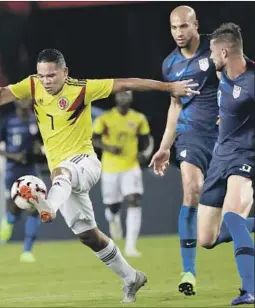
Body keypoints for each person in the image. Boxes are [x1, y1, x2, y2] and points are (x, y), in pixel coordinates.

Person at [0, 48, 198, 303]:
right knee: (88, 235)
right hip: (64, 178)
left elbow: (127, 83)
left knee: (62, 173)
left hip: (85, 163)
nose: (46, 81)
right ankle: (131, 277)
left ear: (65, 72)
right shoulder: (33, 84)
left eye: (51, 75)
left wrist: (169, 86)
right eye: (42, 76)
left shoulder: (82, 88)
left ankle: (48, 206)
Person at [149, 6, 220, 296]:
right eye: (173, 28)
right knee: (192, 191)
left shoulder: (216, 49)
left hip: (225, 137)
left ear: (196, 26)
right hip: (189, 138)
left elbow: (241, 77)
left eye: (183, 27)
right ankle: (188, 271)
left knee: (230, 210)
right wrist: (165, 147)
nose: (178, 33)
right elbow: (175, 106)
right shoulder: (170, 65)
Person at [198, 23, 254, 306]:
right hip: (219, 158)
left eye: (211, 52)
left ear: (223, 51)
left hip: (245, 156)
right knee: (207, 238)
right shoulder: (221, 73)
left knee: (233, 217)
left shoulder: (253, 80)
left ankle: (250, 288)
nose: (209, 57)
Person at [92, 90, 154, 257]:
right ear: (115, 97)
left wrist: (145, 154)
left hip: (131, 166)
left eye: (127, 94)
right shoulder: (105, 118)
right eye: (121, 94)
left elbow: (147, 140)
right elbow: (94, 139)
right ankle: (114, 218)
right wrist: (107, 147)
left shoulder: (139, 118)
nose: (124, 97)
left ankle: (131, 246)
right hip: (110, 168)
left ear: (131, 97)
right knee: (113, 206)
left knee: (134, 200)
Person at [0, 99, 43, 263]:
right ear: (15, 102)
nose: (23, 102)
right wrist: (13, 156)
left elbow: (42, 143)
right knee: (17, 207)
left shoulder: (35, 120)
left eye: (26, 98)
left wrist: (38, 149)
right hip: (13, 171)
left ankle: (27, 251)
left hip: (30, 169)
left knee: (35, 207)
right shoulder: (7, 121)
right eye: (20, 98)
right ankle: (9, 219)